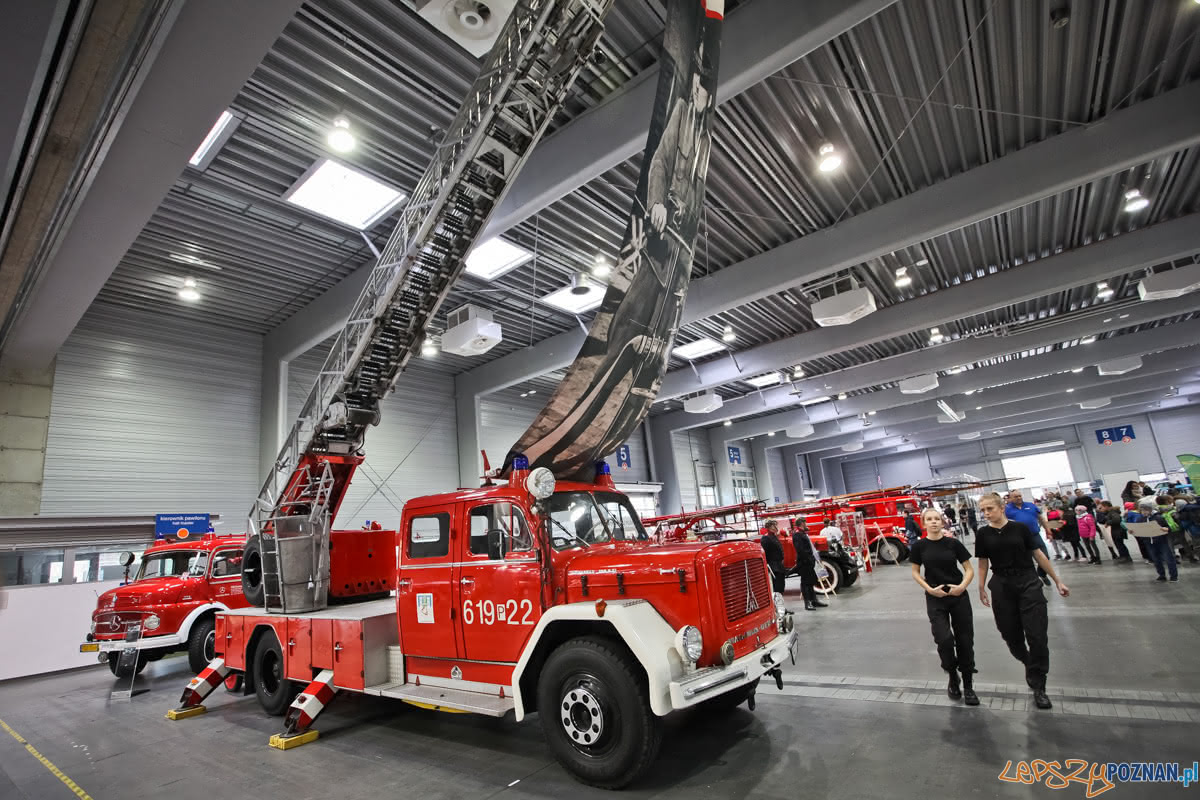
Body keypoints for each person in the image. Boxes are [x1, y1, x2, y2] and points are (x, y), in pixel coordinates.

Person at [975, 492, 1070, 710]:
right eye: (983, 510)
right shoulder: (983, 534)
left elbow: (1038, 555)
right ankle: (1028, 662)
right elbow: (983, 563)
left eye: (989, 508)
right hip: (1001, 585)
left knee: (1037, 635)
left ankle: (1040, 685)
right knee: (1010, 635)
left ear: (1001, 508)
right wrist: (981, 587)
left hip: (1028, 582)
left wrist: (1057, 581)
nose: (986, 513)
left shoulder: (1020, 529)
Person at [910, 508, 978, 705]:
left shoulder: (953, 543)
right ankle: (951, 675)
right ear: (923, 524)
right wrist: (930, 590)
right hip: (935, 597)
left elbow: (968, 569)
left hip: (958, 596)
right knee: (944, 639)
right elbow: (915, 572)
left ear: (942, 522)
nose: (933, 522)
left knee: (965, 641)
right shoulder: (919, 546)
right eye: (929, 519)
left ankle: (968, 685)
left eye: (936, 519)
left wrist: (962, 587)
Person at [1004, 490, 1053, 585]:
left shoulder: (1031, 505)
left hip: (1035, 536)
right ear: (1010, 498)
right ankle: (1034, 580)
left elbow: (1041, 519)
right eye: (1015, 496)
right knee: (1026, 561)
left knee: (1045, 556)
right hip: (1019, 538)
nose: (1018, 498)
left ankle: (1042, 573)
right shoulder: (1006, 509)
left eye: (1019, 496)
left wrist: (1048, 531)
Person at [1139, 497, 1179, 582]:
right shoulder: (1141, 519)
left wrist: (1166, 529)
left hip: (1161, 541)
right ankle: (1161, 575)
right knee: (1156, 560)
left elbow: (1169, 527)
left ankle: (1174, 576)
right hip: (1149, 542)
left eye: (1145, 510)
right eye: (1142, 510)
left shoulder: (1158, 518)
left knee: (1168, 558)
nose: (1143, 512)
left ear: (1150, 509)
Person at [790, 519, 826, 611]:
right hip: (804, 562)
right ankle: (808, 603)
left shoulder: (802, 533)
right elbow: (800, 550)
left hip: (809, 561)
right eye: (805, 523)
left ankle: (814, 600)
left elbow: (806, 547)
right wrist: (808, 559)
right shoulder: (797, 535)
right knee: (805, 583)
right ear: (802, 524)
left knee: (811, 581)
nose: (806, 524)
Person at [759, 520, 787, 594]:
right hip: (773, 565)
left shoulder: (773, 536)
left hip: (779, 565)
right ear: (770, 527)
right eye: (774, 525)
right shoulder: (766, 538)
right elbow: (765, 553)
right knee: (777, 586)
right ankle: (778, 602)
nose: (776, 527)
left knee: (781, 585)